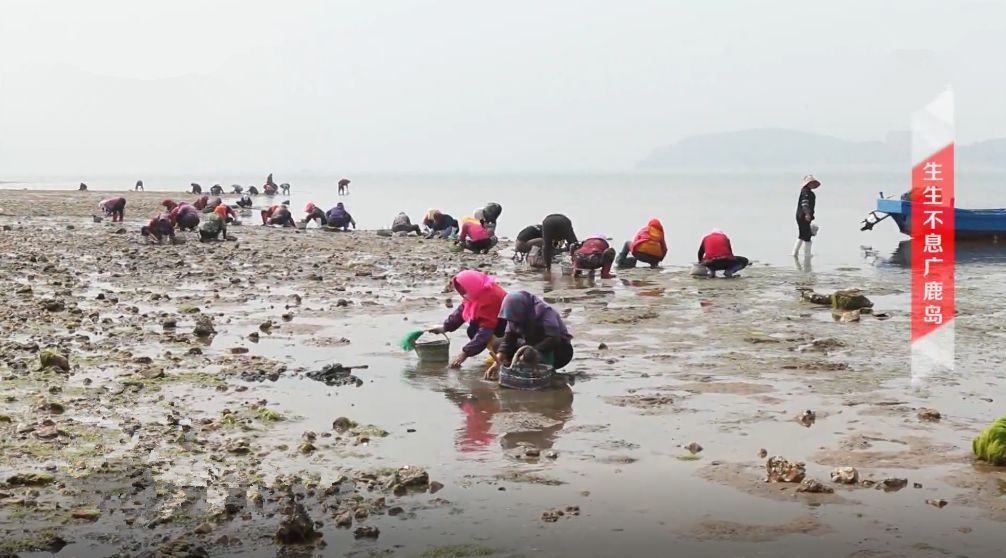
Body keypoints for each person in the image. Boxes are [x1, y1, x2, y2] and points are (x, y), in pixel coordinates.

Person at [485, 291, 574, 380]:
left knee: (529, 354)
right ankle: (519, 365)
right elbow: (508, 340)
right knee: (497, 344)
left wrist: (531, 351)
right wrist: (497, 362)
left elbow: (554, 338)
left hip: (557, 348)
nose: (513, 322)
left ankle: (539, 368)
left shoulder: (544, 311)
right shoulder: (513, 316)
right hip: (531, 342)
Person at [428, 270, 508, 368]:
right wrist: (445, 327)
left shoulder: (490, 298)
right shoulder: (478, 290)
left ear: (471, 285)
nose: (463, 294)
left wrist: (464, 353)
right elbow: (462, 310)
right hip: (497, 326)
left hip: (510, 331)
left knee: (484, 335)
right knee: (473, 329)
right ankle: (497, 352)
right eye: (461, 291)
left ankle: (504, 355)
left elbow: (485, 331)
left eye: (464, 290)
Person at [793, 174, 820, 257]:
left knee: (802, 235)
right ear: (808, 183)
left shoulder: (806, 192)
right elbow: (805, 203)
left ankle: (795, 253)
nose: (813, 185)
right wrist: (807, 214)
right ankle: (807, 255)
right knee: (807, 237)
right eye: (811, 183)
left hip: (800, 216)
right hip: (803, 216)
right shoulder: (806, 192)